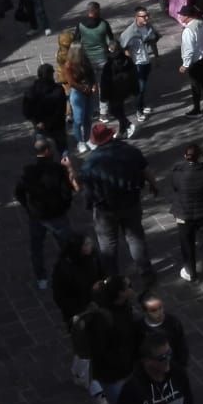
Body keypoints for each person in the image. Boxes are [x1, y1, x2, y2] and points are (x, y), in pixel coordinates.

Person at [79, 121, 158, 288]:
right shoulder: (130, 151)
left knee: (108, 245)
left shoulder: (90, 163)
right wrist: (154, 185)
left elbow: (88, 190)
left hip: (104, 210)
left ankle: (112, 279)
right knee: (135, 239)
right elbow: (146, 170)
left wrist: (89, 205)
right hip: (130, 203)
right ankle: (146, 273)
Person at [13, 135, 75, 289]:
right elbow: (67, 192)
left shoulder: (29, 171)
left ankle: (41, 277)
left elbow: (18, 191)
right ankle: (70, 273)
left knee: (37, 247)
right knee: (66, 245)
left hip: (37, 216)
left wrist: (28, 207)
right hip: (57, 215)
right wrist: (64, 205)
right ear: (47, 151)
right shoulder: (58, 170)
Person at [77, 276, 140, 404]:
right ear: (120, 293)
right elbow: (100, 350)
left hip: (127, 369)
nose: (132, 288)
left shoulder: (125, 307)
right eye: (128, 286)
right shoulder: (102, 319)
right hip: (113, 376)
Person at [52, 236, 104, 390]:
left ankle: (79, 372)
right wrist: (76, 314)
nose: (90, 245)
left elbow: (103, 275)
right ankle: (93, 387)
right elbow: (61, 297)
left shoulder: (93, 258)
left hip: (95, 308)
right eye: (86, 244)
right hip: (78, 313)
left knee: (89, 347)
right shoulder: (63, 269)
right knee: (86, 347)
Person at [167, 142, 203, 297]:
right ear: (200, 157)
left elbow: (175, 187)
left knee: (186, 243)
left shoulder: (177, 172)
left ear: (185, 156)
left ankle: (190, 271)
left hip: (183, 213)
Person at [118, 6, 161, 120]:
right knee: (140, 88)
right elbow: (124, 48)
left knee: (143, 86)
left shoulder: (149, 27)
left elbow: (153, 42)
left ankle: (141, 104)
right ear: (136, 17)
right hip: (137, 63)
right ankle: (139, 111)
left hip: (147, 61)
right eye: (144, 16)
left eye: (148, 15)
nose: (147, 18)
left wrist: (156, 57)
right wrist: (130, 62)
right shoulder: (129, 32)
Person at [177, 7, 203, 118]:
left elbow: (189, 49)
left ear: (187, 16)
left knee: (195, 86)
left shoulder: (188, 30)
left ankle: (197, 109)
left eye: (182, 15)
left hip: (196, 61)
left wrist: (185, 64)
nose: (180, 17)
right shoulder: (202, 24)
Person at [64, 45, 100, 150]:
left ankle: (88, 139)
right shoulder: (69, 65)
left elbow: (92, 75)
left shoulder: (85, 61)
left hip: (88, 92)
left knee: (88, 118)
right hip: (78, 93)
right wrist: (84, 89)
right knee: (78, 119)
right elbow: (71, 82)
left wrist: (93, 85)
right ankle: (80, 141)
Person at [138, 295, 189, 369]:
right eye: (153, 310)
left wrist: (181, 364)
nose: (159, 312)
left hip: (172, 364)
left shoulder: (173, 322)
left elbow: (181, 344)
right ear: (145, 312)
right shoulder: (140, 327)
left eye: (160, 308)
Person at [102, 39, 140, 137]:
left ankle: (127, 124)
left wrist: (103, 96)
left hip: (114, 91)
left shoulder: (109, 64)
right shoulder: (127, 60)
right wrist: (135, 90)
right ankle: (122, 131)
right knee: (120, 109)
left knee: (113, 111)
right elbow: (134, 75)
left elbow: (105, 81)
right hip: (125, 89)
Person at [74, 1, 116, 78]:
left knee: (91, 83)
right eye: (99, 10)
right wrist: (111, 51)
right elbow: (111, 41)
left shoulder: (80, 25)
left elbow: (76, 42)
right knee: (104, 81)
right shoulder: (104, 24)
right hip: (102, 58)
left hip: (87, 60)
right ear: (96, 11)